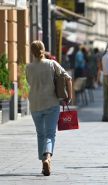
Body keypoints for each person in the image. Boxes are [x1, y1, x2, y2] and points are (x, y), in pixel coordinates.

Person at [26, 40, 72, 176]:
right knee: (50, 134)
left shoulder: (28, 67)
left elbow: (29, 82)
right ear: (43, 49)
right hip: (51, 103)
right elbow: (68, 77)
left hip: (35, 104)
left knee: (40, 133)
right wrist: (68, 97)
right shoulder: (52, 64)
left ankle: (43, 163)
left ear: (31, 51)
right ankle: (47, 158)